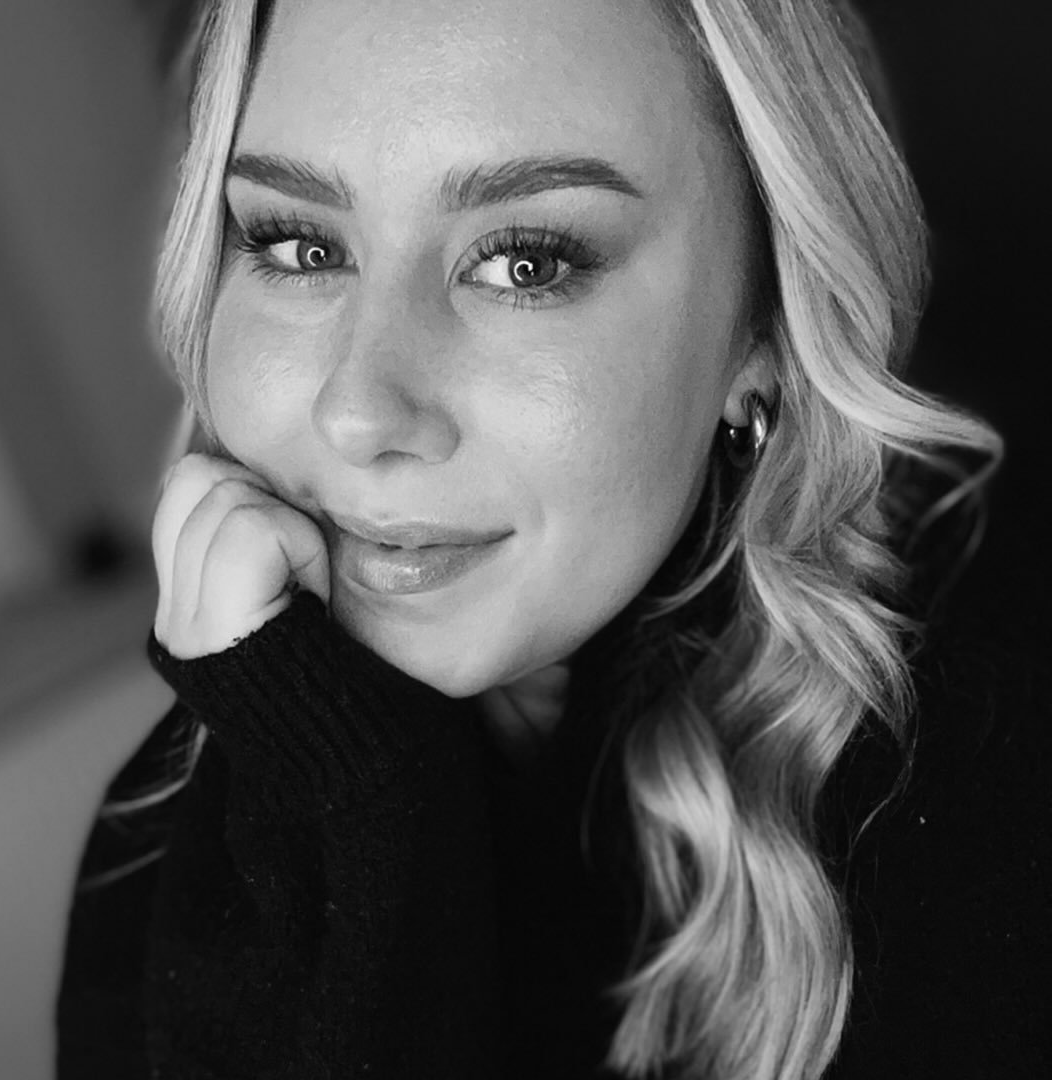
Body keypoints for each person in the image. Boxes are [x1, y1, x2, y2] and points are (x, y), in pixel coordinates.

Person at [53, 0, 1018, 1078]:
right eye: (300, 245)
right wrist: (343, 810)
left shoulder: (979, 804)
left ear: (766, 330)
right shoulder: (164, 846)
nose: (359, 411)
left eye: (525, 263)